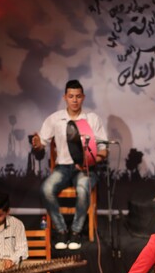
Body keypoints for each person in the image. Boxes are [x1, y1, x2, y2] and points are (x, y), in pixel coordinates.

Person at [31, 80, 108, 251]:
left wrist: (91, 160)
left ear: (83, 98)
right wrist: (37, 143)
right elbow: (41, 143)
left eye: (78, 96)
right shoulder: (56, 119)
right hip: (63, 167)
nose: (74, 100)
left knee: (82, 188)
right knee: (46, 189)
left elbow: (104, 149)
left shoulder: (92, 120)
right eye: (71, 96)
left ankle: (75, 232)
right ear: (65, 97)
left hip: (86, 169)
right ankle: (61, 230)